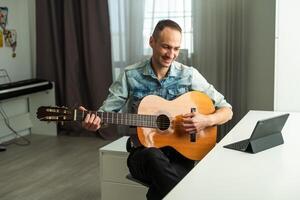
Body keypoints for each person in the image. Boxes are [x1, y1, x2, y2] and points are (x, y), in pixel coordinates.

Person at [81, 19, 233, 200]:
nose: (171, 54)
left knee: (162, 190)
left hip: (181, 156)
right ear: (152, 41)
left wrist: (205, 121)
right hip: (143, 156)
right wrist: (96, 123)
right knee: (155, 158)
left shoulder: (189, 75)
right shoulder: (131, 75)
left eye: (176, 48)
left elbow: (227, 109)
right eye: (166, 47)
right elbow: (107, 113)